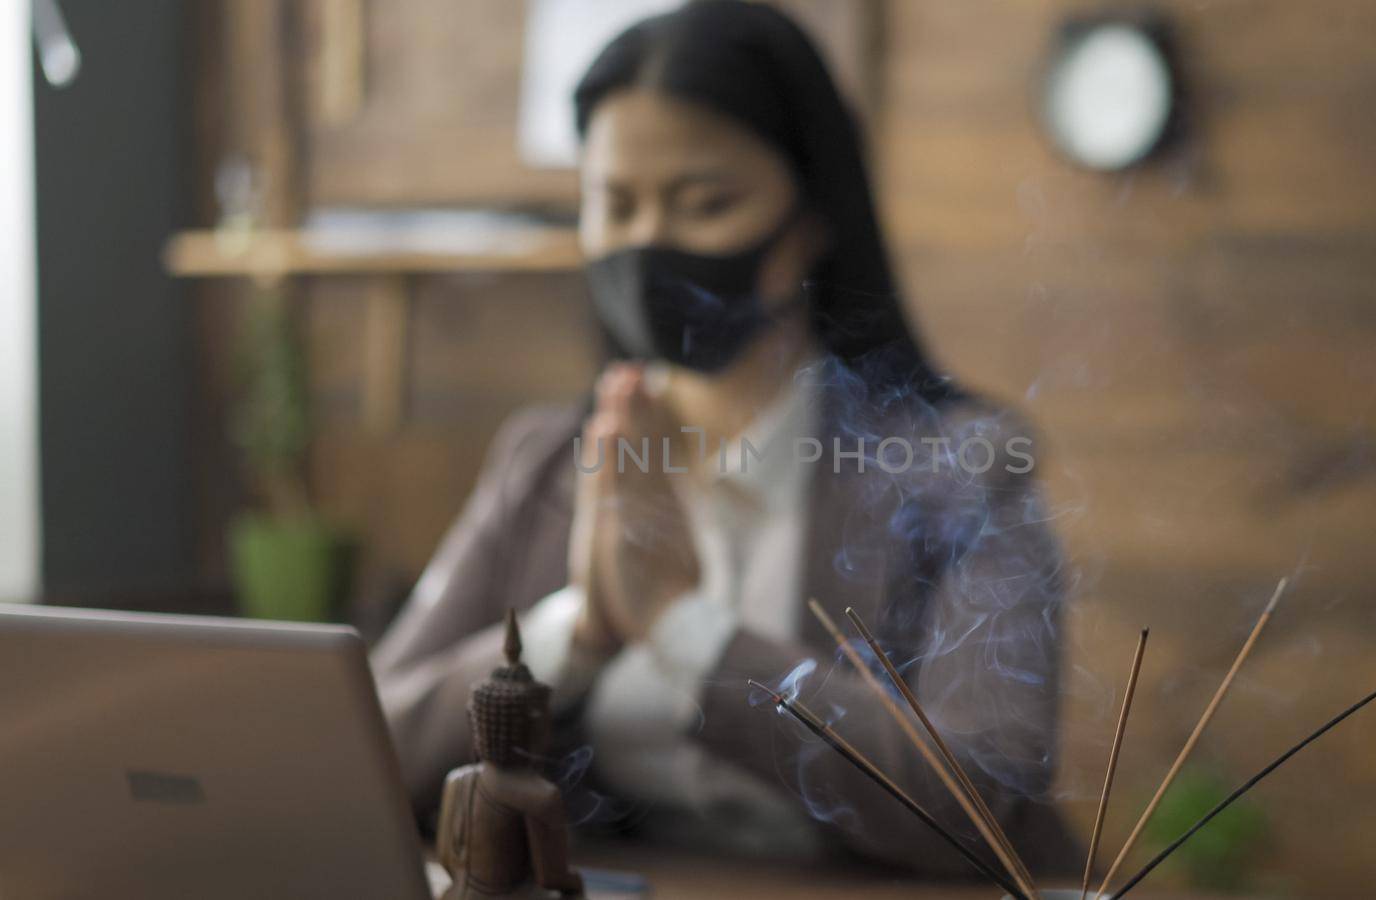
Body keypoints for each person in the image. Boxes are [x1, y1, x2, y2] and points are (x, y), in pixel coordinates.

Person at [374, 0, 1070, 875]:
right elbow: (367, 743)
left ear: (811, 219)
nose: (649, 243)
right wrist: (577, 633)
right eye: (614, 204)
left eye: (703, 203)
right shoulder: (546, 460)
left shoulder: (961, 470)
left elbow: (980, 795)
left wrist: (682, 627)